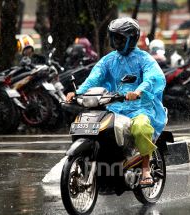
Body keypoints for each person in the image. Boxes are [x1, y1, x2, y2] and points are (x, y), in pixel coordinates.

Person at [66, 17, 167, 185]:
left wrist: (138, 91)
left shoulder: (144, 58)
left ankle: (145, 168)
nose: (116, 42)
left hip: (141, 108)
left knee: (141, 127)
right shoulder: (108, 60)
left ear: (131, 39)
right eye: (114, 37)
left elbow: (153, 77)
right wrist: (78, 93)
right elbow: (94, 78)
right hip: (114, 107)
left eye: (119, 38)